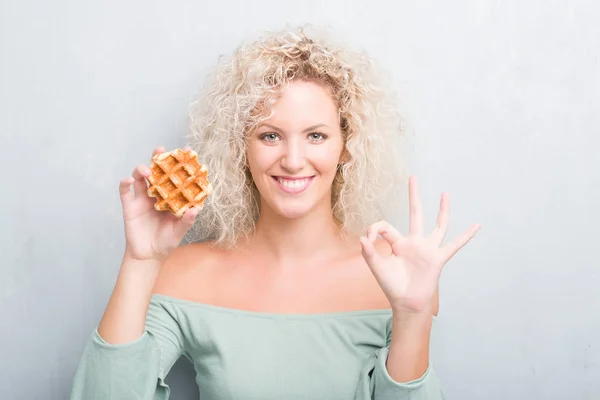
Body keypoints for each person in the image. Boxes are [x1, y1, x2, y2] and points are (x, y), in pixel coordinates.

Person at [70, 25, 480, 400]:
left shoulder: (396, 278)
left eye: (316, 135)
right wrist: (141, 261)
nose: (294, 159)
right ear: (240, 148)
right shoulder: (183, 274)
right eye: (270, 136)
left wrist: (412, 316)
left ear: (346, 146)